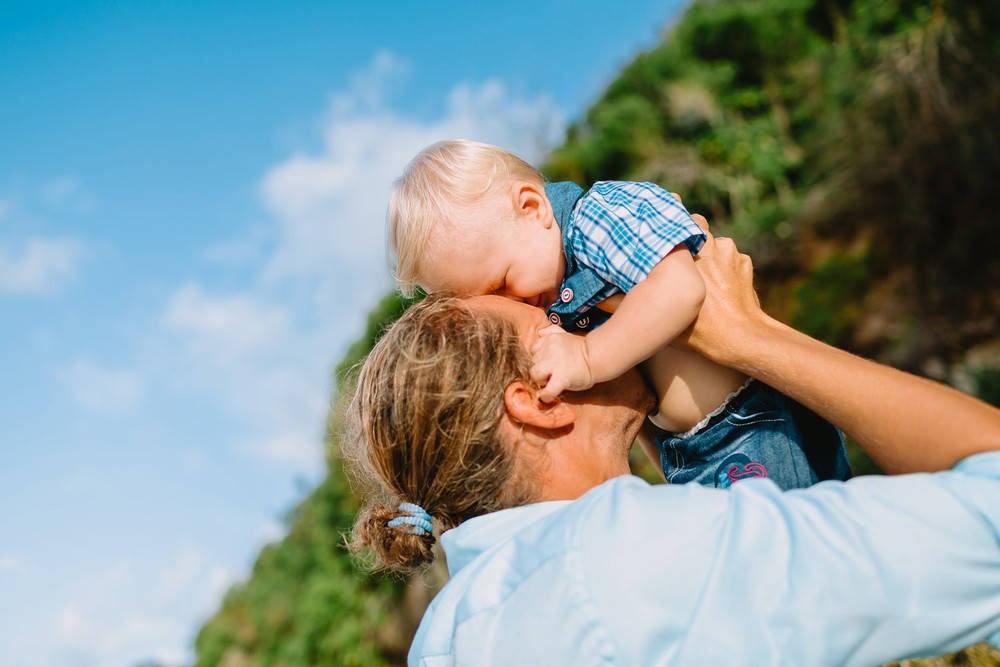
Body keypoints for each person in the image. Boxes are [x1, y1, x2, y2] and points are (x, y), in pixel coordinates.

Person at [347, 223, 1000, 666]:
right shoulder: (638, 554)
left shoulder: (444, 635)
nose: (580, 311)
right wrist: (755, 339)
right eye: (553, 324)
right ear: (535, 401)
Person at [387, 139, 849, 489]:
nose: (516, 305)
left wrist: (587, 357)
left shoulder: (599, 219)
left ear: (532, 208)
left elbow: (680, 289)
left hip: (746, 425)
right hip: (686, 452)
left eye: (503, 282)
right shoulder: (553, 295)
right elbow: (636, 392)